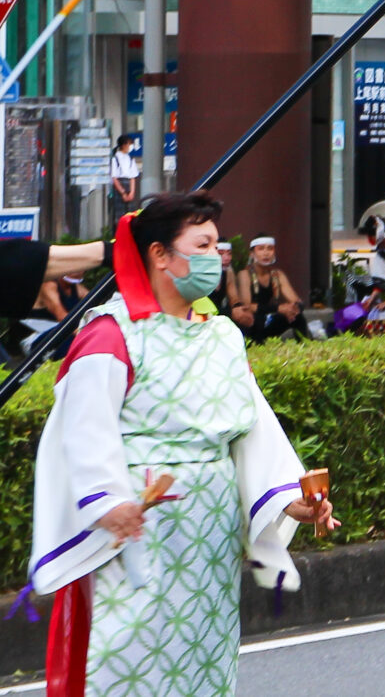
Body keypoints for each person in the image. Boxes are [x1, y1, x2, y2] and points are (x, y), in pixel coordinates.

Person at [31, 193, 329, 696]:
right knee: (126, 655)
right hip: (138, 528)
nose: (215, 257)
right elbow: (82, 429)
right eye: (203, 244)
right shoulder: (111, 331)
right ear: (160, 255)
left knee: (205, 657)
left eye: (216, 244)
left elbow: (251, 430)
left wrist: (288, 498)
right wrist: (107, 501)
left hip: (208, 535)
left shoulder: (222, 337)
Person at [226, 235, 303, 342]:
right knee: (256, 320)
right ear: (252, 254)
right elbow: (246, 306)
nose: (266, 253)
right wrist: (278, 308)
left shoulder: (277, 274)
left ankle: (307, 348)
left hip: (269, 318)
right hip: (253, 322)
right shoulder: (244, 274)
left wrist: (292, 309)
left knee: (298, 317)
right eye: (261, 248)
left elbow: (296, 300)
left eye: (270, 249)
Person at [107, 131, 141, 208]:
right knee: (120, 214)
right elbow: (114, 178)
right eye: (129, 144)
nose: (130, 146)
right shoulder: (115, 158)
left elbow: (133, 178)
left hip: (129, 187)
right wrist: (123, 193)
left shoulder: (130, 158)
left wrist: (132, 192)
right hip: (119, 187)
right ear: (124, 145)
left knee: (131, 214)